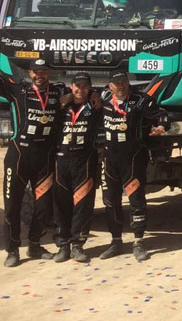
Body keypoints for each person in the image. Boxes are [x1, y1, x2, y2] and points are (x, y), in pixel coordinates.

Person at [2, 58, 66, 266]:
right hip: (19, 156)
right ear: (30, 74)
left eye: (44, 71)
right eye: (36, 72)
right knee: (12, 205)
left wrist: (93, 95)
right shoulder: (17, 90)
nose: (40, 75)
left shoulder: (57, 91)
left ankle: (35, 245)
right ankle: (13, 249)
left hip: (44, 158)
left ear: (49, 73)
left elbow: (78, 93)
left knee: (43, 206)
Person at [99, 72, 167, 262]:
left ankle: (138, 242)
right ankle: (115, 241)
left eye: (124, 82)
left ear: (128, 83)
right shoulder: (103, 99)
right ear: (110, 86)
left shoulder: (140, 100)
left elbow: (161, 115)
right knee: (110, 201)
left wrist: (161, 126)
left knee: (136, 200)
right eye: (116, 83)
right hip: (110, 159)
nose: (121, 86)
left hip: (133, 158)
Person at [52, 72, 103, 264]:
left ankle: (77, 245)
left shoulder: (95, 105)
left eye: (84, 86)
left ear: (89, 88)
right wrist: (62, 100)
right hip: (61, 160)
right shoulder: (61, 104)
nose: (80, 89)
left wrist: (96, 94)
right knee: (61, 205)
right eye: (77, 86)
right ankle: (63, 245)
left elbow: (112, 92)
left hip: (85, 160)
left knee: (83, 205)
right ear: (71, 86)